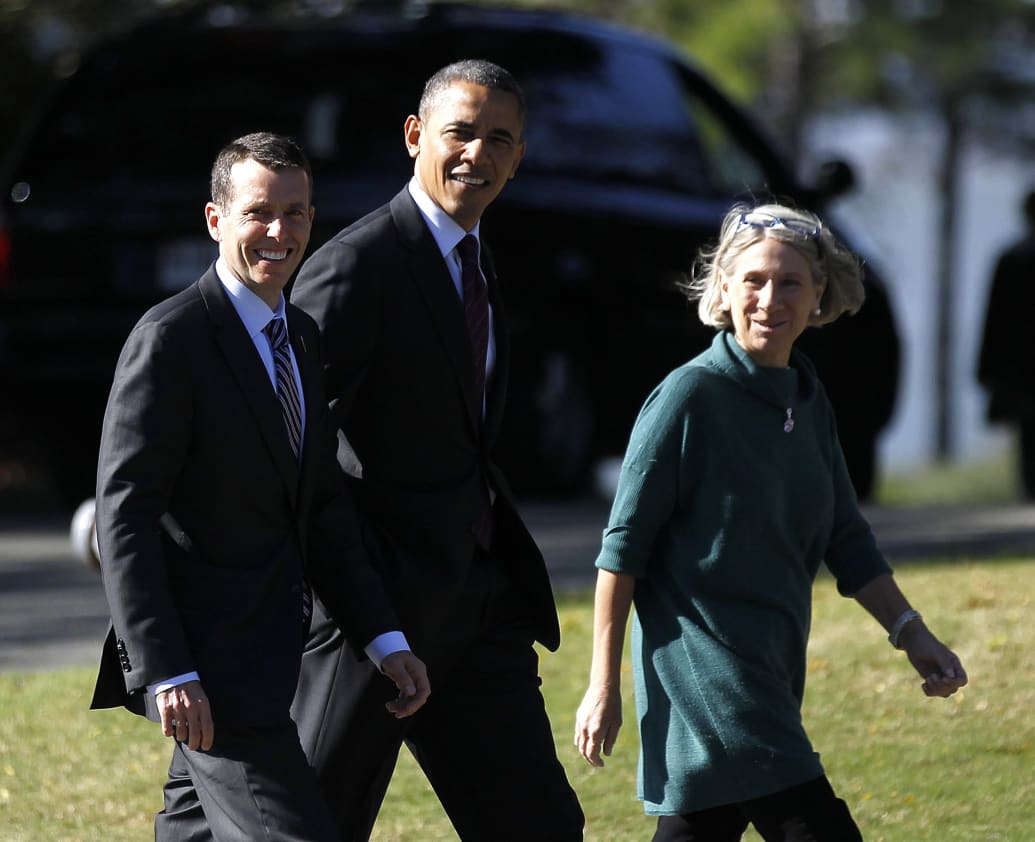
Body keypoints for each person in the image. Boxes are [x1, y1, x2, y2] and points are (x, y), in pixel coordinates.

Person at [574, 202, 967, 841]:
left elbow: (846, 535)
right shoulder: (689, 397)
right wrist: (603, 685)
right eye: (753, 279)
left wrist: (911, 633)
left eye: (789, 282)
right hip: (711, 678)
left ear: (819, 295)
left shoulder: (806, 397)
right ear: (724, 288)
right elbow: (622, 551)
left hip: (774, 672)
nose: (769, 299)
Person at [89, 132, 430, 842]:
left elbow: (321, 508)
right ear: (216, 219)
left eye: (297, 213)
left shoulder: (299, 335)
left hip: (272, 660)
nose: (280, 232)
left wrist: (382, 635)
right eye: (258, 212)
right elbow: (125, 517)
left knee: (192, 830)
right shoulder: (170, 339)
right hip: (208, 673)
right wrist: (166, 669)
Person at [289, 60, 585, 840]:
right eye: (459, 132)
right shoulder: (356, 267)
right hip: (375, 619)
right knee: (307, 826)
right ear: (416, 136)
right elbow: (296, 450)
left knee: (540, 826)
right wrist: (359, 606)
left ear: (517, 157)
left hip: (478, 605)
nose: (475, 155)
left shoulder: (480, 258)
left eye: (498, 139)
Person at [977, 188, 1035, 498]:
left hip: (1019, 367)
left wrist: (986, 370)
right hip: (1021, 366)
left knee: (1027, 436)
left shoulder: (1010, 258)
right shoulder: (1010, 258)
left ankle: (1029, 491)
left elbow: (994, 319)